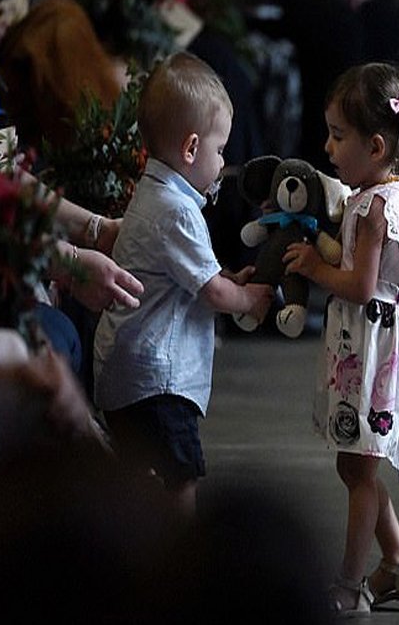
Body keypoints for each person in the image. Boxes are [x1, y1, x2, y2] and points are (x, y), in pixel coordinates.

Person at [281, 62, 399, 615]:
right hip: (373, 342)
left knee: (360, 468)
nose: (328, 146)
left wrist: (315, 267)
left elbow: (361, 286)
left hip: (375, 347)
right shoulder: (381, 193)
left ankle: (348, 584)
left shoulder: (376, 208)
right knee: (356, 462)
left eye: (339, 137)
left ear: (377, 145)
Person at [93, 52, 272, 521]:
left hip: (127, 373)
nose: (223, 161)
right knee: (182, 478)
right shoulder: (177, 211)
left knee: (141, 478)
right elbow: (212, 293)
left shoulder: (153, 193)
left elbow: (189, 279)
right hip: (158, 381)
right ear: (191, 148)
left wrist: (227, 279)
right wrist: (251, 299)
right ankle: (177, 573)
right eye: (219, 150)